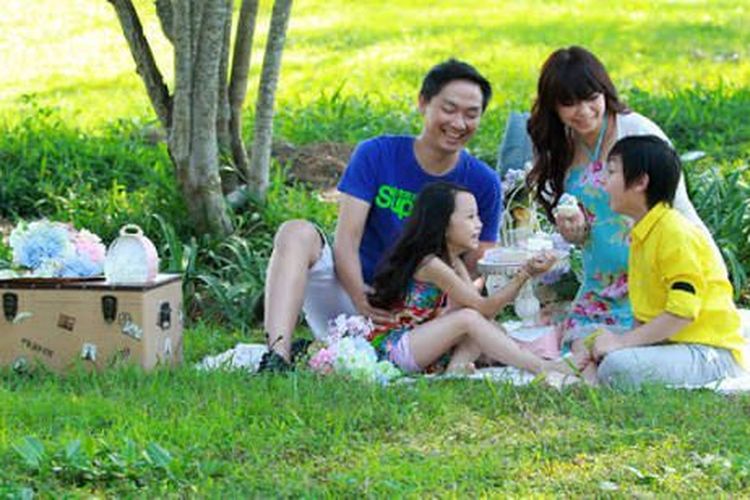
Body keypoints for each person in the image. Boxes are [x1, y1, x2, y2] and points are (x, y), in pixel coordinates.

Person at [260, 59, 502, 371]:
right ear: (423, 103)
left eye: (471, 114)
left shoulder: (483, 182)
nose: (459, 123)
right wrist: (360, 298)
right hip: (351, 297)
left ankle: (331, 350)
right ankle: (276, 357)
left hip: (418, 317)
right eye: (449, 109)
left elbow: (479, 265)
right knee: (295, 232)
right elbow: (347, 240)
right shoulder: (377, 154)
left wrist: (447, 309)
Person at [526, 46, 721, 349]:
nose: (583, 111)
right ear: (554, 106)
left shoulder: (637, 132)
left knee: (620, 354)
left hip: (653, 277)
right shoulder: (558, 144)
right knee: (581, 350)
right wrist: (575, 231)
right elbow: (583, 217)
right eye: (569, 103)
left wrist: (709, 275)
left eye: (591, 98)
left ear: (604, 92)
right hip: (600, 281)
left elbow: (677, 209)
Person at [575, 135, 747, 386]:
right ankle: (591, 378)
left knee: (617, 366)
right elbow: (645, 312)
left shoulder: (674, 232)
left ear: (640, 182)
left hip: (709, 353)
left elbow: (682, 313)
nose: (604, 182)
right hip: (671, 343)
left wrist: (622, 343)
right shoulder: (644, 231)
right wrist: (616, 343)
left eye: (611, 172)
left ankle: (593, 378)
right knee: (586, 339)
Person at [367, 181, 571, 379]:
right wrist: (524, 274)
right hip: (396, 349)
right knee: (469, 319)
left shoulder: (454, 262)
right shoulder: (431, 264)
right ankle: (540, 366)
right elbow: (484, 308)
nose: (479, 224)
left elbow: (483, 313)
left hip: (422, 345)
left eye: (478, 217)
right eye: (470, 217)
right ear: (443, 224)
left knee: (487, 326)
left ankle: (455, 371)